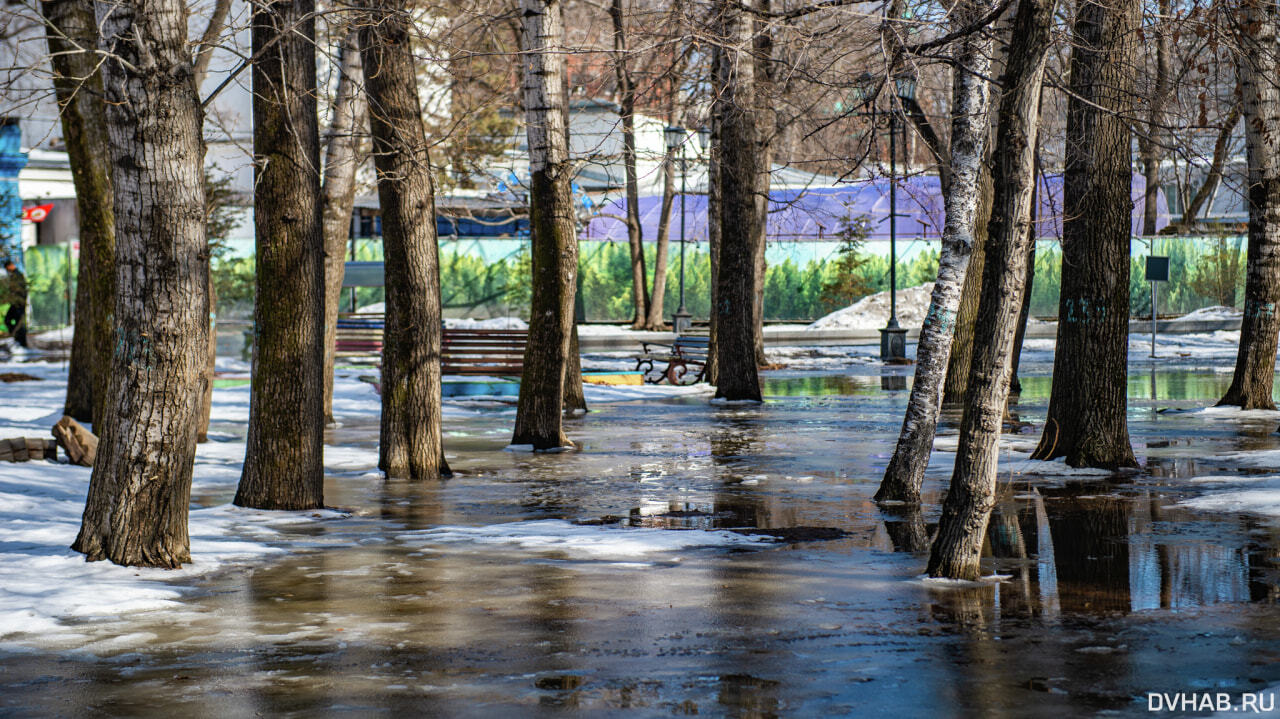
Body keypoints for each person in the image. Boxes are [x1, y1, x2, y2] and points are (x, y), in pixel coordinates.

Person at [3, 258, 27, 348]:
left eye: (7, 268)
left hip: (19, 303)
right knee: (9, 320)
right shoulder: (15, 275)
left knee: (18, 322)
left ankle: (21, 342)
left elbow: (20, 291)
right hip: (15, 303)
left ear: (10, 266)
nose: (7, 270)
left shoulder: (17, 275)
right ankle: (17, 339)